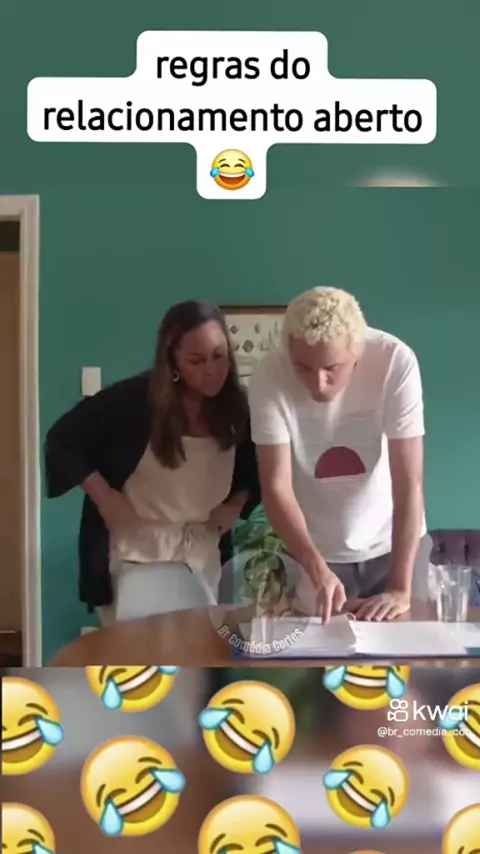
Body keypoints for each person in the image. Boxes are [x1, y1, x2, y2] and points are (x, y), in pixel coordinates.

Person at [45, 300, 260, 625]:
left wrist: (236, 504)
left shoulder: (237, 410)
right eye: (196, 360)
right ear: (172, 359)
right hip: (135, 552)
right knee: (137, 652)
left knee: (196, 650)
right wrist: (106, 499)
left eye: (219, 356)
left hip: (202, 553)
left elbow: (254, 467)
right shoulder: (131, 402)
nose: (211, 370)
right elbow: (63, 440)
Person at [248, 286, 431, 622]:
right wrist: (317, 569)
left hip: (393, 547)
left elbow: (409, 481)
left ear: (357, 352)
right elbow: (276, 486)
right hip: (312, 551)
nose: (318, 383)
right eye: (303, 368)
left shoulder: (395, 360)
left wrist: (400, 587)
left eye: (331, 367)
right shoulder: (269, 375)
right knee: (315, 652)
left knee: (403, 648)